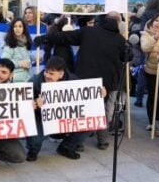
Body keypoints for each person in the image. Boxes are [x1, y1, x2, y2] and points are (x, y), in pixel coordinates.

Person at [44, 11, 130, 150]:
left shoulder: (87, 31)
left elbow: (66, 37)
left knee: (81, 111)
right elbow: (128, 57)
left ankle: (78, 143)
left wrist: (46, 37)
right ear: (118, 23)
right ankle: (102, 141)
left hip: (83, 78)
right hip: (105, 81)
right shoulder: (119, 39)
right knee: (99, 110)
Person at [27, 56, 91, 161]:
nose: (47, 75)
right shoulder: (35, 81)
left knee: (90, 123)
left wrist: (99, 91)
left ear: (61, 74)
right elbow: (23, 102)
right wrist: (34, 102)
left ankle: (67, 147)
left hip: (65, 116)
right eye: (46, 72)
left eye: (51, 73)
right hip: (40, 117)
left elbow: (88, 96)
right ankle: (33, 151)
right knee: (35, 141)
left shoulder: (73, 80)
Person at [0, 18, 33, 82]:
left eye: (20, 26)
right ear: (12, 29)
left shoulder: (25, 43)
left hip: (26, 78)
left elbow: (23, 56)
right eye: (15, 26)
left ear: (24, 29)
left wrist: (34, 58)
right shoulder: (9, 44)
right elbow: (4, 62)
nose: (17, 29)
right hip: (14, 80)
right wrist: (19, 63)